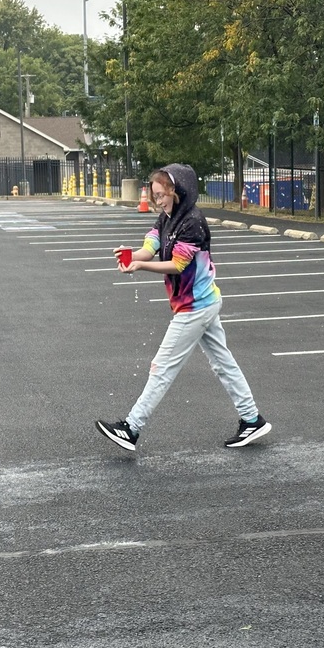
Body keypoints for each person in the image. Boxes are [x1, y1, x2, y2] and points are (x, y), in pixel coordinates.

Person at [95, 163, 271, 450]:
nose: (158, 200)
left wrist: (142, 265)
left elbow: (178, 264)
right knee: (223, 363)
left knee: (162, 368)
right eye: (155, 195)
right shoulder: (166, 218)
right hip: (203, 303)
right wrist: (131, 256)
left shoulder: (192, 222)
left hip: (195, 307)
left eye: (163, 194)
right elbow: (149, 248)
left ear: (178, 191)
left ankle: (131, 428)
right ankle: (252, 420)